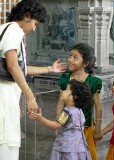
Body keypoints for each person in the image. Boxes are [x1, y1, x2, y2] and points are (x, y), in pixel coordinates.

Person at [0, 0, 66, 160]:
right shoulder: (14, 29)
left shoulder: (5, 29)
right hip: (4, 96)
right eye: (35, 23)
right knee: (7, 145)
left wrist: (50, 69)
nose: (34, 28)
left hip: (6, 93)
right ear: (27, 16)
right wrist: (30, 96)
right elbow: (12, 65)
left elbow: (20, 68)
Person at [56, 43, 103, 160]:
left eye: (75, 58)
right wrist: (58, 124)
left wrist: (98, 130)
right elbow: (60, 102)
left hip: (86, 126)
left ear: (86, 63)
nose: (70, 60)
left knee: (86, 153)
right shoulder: (65, 78)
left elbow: (98, 107)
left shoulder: (93, 82)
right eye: (70, 56)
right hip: (67, 126)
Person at [30, 79, 92, 160]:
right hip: (79, 148)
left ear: (74, 97)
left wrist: (40, 118)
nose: (63, 91)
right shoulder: (79, 111)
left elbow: (56, 125)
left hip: (66, 150)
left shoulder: (67, 112)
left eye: (66, 90)